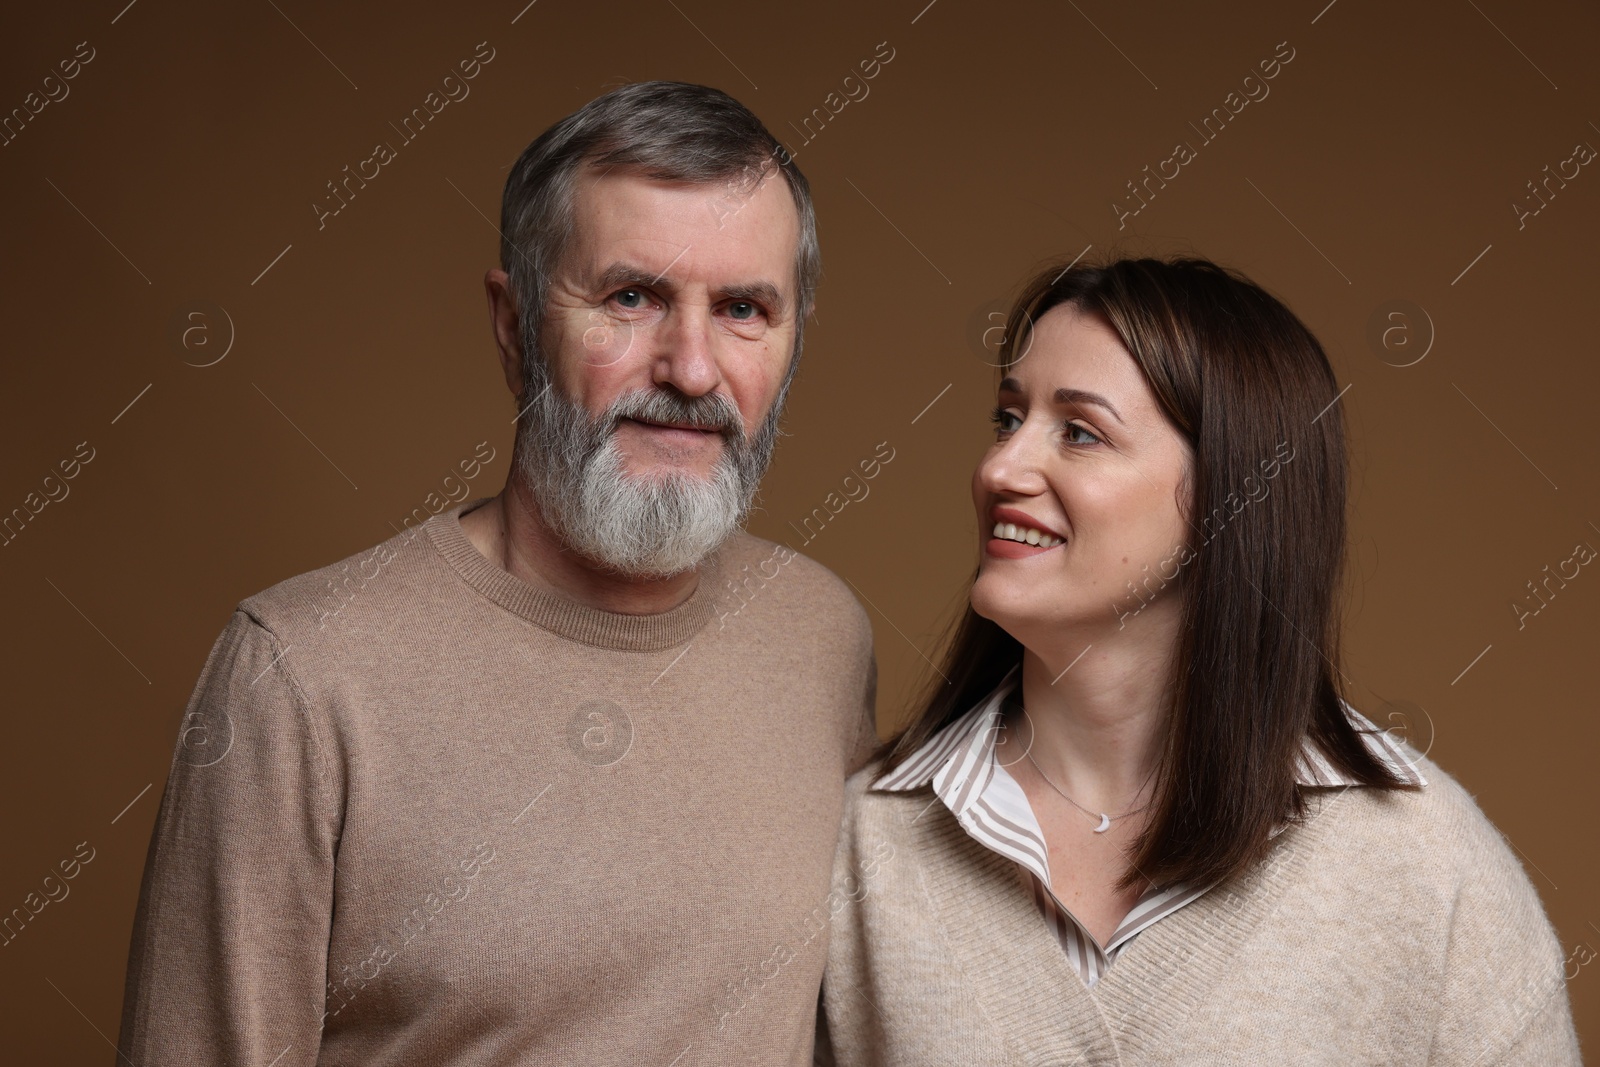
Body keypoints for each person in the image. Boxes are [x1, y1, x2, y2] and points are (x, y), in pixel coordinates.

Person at [118, 81, 879, 1066]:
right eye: (631, 297)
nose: (690, 369)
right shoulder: (300, 675)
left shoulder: (820, 635)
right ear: (514, 323)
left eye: (741, 308)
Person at [816, 256, 1583, 1065]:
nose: (999, 469)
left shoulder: (1424, 865)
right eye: (1009, 419)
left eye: (1079, 432)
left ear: (1231, 494)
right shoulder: (860, 842)